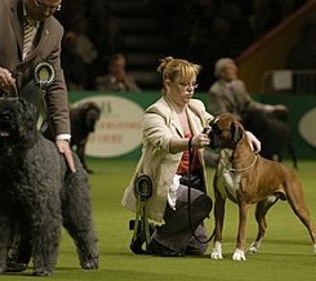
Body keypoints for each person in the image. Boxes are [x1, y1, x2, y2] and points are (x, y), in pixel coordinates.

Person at [121, 57, 261, 256]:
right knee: (203, 202)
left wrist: (245, 133)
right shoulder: (154, 114)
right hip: (166, 184)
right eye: (184, 85)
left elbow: (221, 125)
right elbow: (165, 142)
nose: (190, 89)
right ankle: (158, 243)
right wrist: (190, 142)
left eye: (193, 84)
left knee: (198, 247)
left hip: (193, 183)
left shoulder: (196, 107)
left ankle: (153, 232)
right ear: (168, 84)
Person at [0, 0, 75, 172]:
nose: (46, 13)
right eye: (41, 5)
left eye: (54, 8)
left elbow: (55, 83)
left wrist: (62, 136)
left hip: (8, 120)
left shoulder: (55, 31)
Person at [208, 57, 288, 119]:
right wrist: (238, 118)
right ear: (221, 73)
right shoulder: (215, 90)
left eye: (234, 67)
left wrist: (271, 109)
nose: (234, 70)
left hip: (244, 119)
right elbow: (221, 113)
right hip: (228, 123)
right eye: (230, 69)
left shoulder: (239, 85)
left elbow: (249, 104)